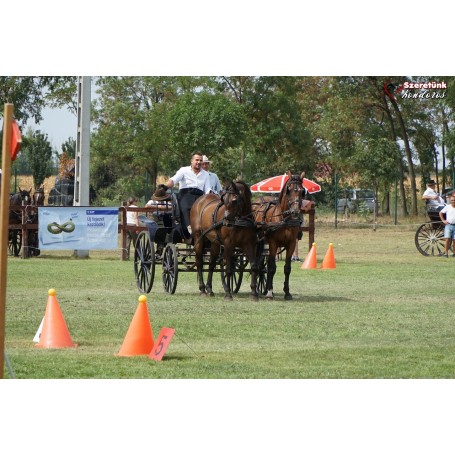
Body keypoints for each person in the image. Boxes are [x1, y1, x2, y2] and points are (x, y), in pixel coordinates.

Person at [162, 152, 211, 238]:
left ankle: (205, 229)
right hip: (185, 194)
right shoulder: (184, 170)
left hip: (200, 196)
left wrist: (210, 196)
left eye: (200, 160)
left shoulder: (206, 174)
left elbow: (207, 189)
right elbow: (174, 180)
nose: (199, 162)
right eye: (197, 160)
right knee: (186, 207)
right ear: (191, 161)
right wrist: (165, 187)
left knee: (207, 209)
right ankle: (189, 228)